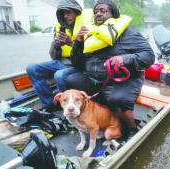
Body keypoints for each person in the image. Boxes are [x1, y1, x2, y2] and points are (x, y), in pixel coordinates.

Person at [66, 0, 155, 138]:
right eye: (96, 11)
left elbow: (149, 56)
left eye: (103, 11)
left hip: (124, 80)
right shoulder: (90, 33)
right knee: (71, 80)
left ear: (113, 14)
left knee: (117, 98)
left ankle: (130, 129)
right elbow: (77, 64)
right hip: (96, 79)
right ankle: (95, 117)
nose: (98, 14)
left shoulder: (127, 33)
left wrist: (125, 59)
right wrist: (78, 42)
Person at [26, 0, 85, 112]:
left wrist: (71, 43)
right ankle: (50, 105)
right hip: (62, 62)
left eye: (68, 12)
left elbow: (89, 55)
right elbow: (53, 56)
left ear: (76, 12)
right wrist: (56, 45)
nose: (65, 16)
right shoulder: (61, 28)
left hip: (78, 64)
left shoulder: (85, 26)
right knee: (32, 68)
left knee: (59, 75)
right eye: (63, 13)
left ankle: (67, 108)